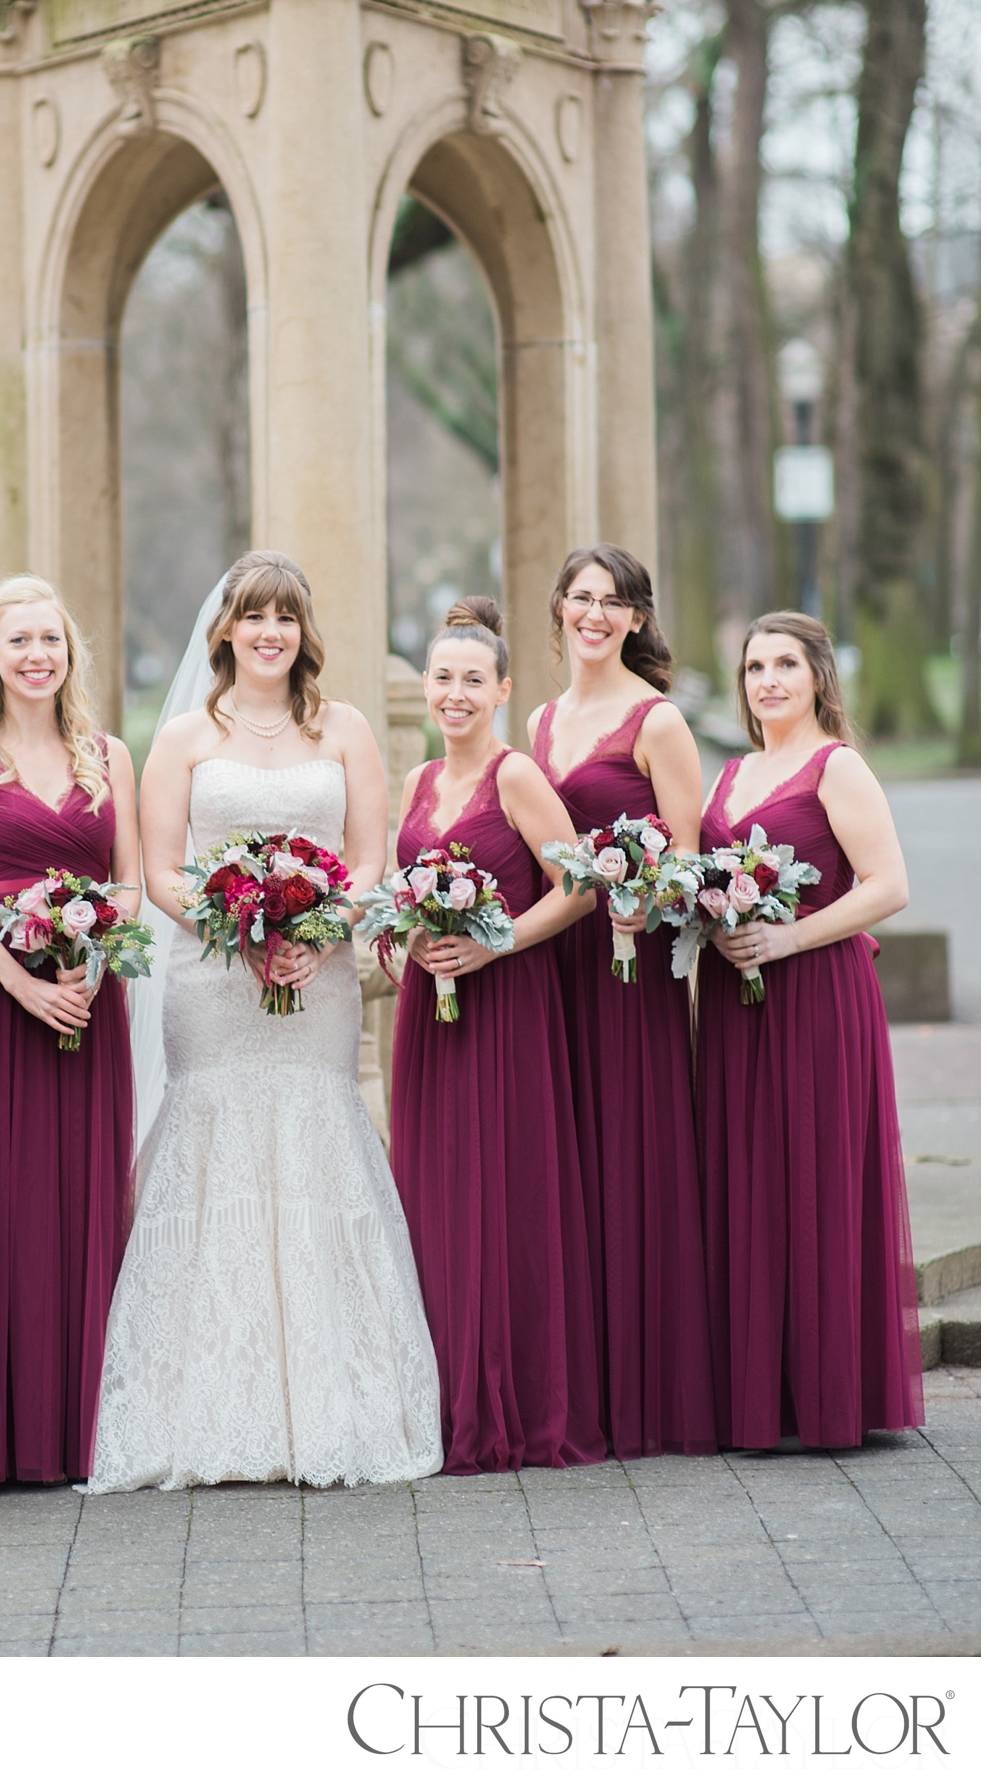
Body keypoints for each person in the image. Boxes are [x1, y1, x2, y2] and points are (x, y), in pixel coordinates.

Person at [86, 551, 441, 1492]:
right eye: (253, 617)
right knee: (215, 1147)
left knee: (312, 1139)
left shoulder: (347, 729)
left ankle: (331, 1406)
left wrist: (321, 933)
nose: (269, 633)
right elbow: (161, 869)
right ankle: (203, 1409)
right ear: (227, 631)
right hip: (213, 982)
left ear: (303, 632)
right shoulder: (186, 739)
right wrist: (227, 926)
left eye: (285, 617)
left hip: (313, 981)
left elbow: (370, 857)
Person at [0, 578, 137, 1485]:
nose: (37, 656)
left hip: (89, 1004)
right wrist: (18, 982)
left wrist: (96, 961)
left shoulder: (109, 756)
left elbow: (127, 881)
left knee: (83, 1199)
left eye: (50, 639)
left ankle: (79, 1427)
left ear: (69, 652)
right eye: (19, 642)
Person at [698, 611, 924, 1449]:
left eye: (786, 664)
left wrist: (789, 936)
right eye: (756, 667)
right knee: (750, 1177)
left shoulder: (839, 767)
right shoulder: (732, 776)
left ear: (818, 677)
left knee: (816, 1176)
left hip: (819, 995)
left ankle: (830, 1392)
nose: (769, 681)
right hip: (734, 1005)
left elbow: (889, 884)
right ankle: (762, 1391)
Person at [391, 597, 606, 1472]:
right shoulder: (415, 785)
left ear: (504, 689)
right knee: (435, 1190)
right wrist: (407, 933)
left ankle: (506, 1395)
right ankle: (438, 1394)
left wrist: (496, 941)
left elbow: (581, 885)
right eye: (442, 679)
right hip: (429, 1009)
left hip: (505, 1007)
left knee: (500, 1191)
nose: (454, 695)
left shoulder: (516, 777)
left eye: (472, 680)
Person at [528, 547, 717, 1458]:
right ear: (558, 609)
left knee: (627, 1153)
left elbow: (689, 852)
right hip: (542, 962)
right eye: (581, 598)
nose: (594, 615)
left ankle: (644, 1390)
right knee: (558, 1164)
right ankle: (570, 1378)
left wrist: (649, 897)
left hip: (624, 965)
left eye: (613, 603)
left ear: (637, 619)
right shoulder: (535, 720)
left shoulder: (658, 722)